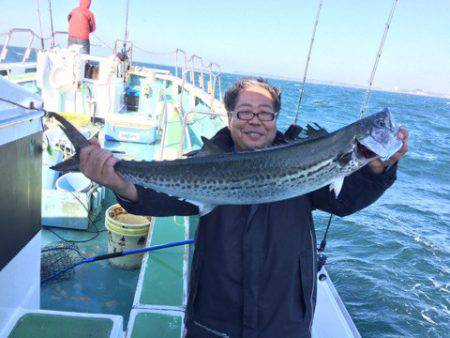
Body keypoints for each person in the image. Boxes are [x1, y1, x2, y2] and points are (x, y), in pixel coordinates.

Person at [79, 77, 409, 337]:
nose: (255, 121)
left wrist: (378, 170)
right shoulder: (206, 162)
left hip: (284, 323)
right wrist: (120, 181)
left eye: (265, 113)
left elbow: (344, 201)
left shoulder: (305, 153)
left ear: (276, 119)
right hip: (213, 319)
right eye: (245, 112)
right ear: (230, 116)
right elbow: (166, 198)